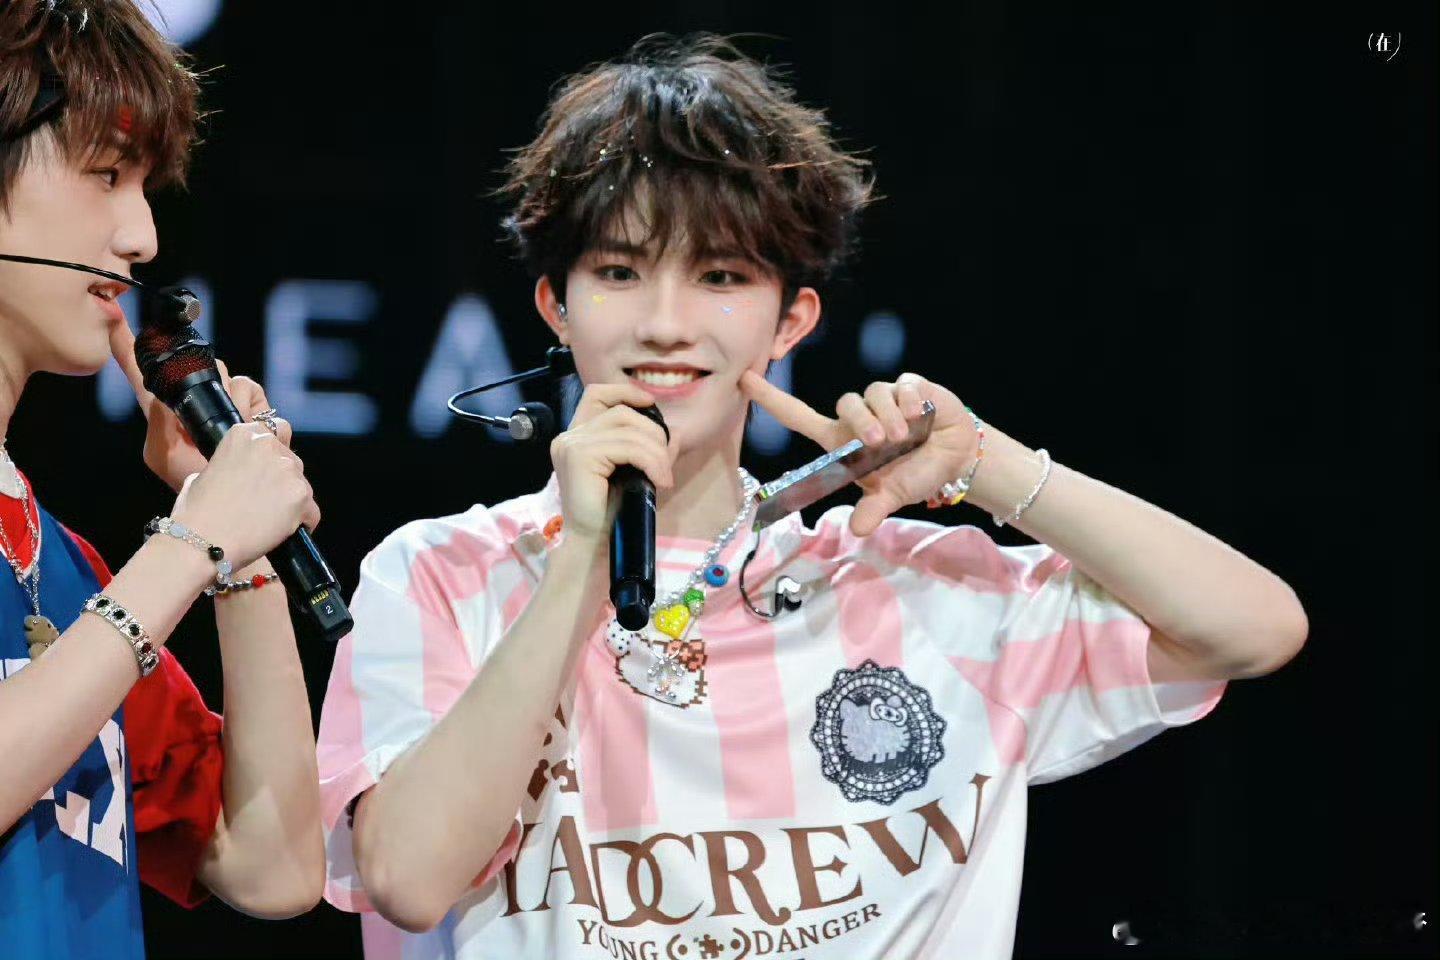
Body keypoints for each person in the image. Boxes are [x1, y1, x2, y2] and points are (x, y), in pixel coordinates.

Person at [316, 34, 1307, 958]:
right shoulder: (440, 575)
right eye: (619, 272)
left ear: (790, 321)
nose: (665, 324)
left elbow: (1253, 628)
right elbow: (407, 879)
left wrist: (988, 464)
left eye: (719, 277)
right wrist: (582, 554)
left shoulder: (912, 588)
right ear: (557, 306)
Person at [0, 2, 325, 955]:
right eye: (106, 174)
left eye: (144, 186)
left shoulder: (65, 566)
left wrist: (238, 553)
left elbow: (273, 869)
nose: (142, 234)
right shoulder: (129, 593)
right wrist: (193, 544)